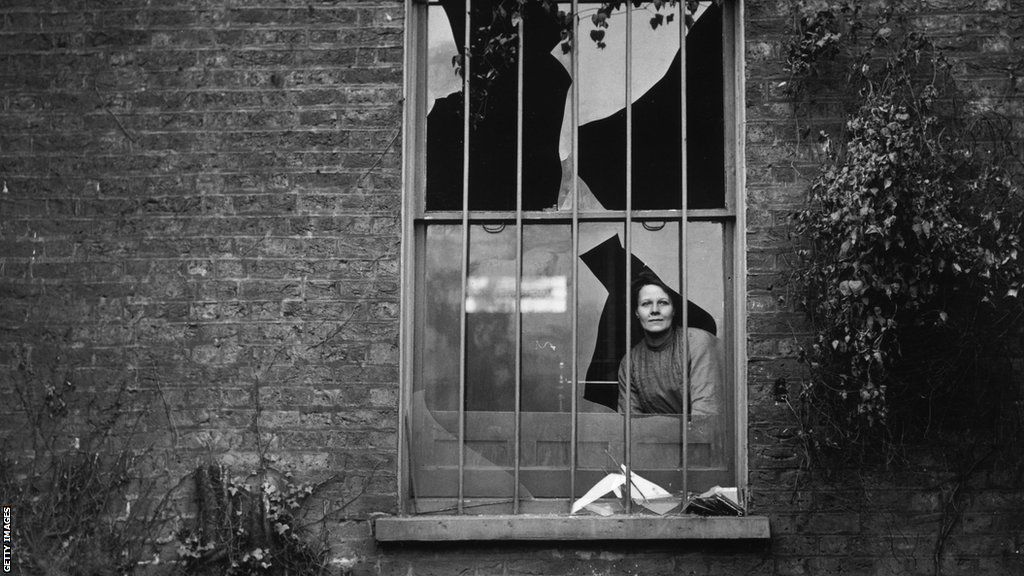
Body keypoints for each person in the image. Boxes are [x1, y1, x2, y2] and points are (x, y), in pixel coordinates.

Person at [617, 276, 723, 415]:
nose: (655, 310)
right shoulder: (631, 362)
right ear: (637, 312)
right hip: (658, 435)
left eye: (663, 303)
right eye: (646, 304)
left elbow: (705, 415)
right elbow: (630, 424)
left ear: (673, 310)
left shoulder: (697, 343)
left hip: (704, 433)